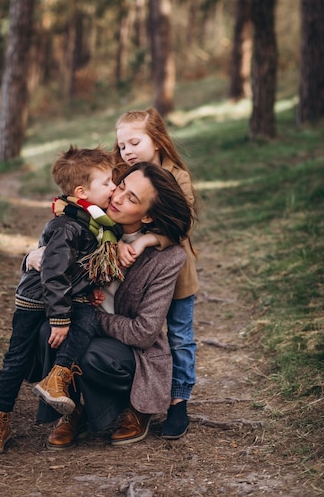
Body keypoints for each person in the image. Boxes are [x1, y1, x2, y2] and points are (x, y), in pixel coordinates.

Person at [34, 162, 193, 449]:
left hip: (131, 352)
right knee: (50, 327)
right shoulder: (91, 227)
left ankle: (135, 407)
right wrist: (31, 258)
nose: (117, 198)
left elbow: (143, 332)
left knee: (92, 352)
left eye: (132, 198)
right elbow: (49, 260)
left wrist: (91, 319)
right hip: (85, 326)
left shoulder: (167, 259)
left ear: (148, 217)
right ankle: (70, 409)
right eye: (120, 187)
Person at [0, 146, 123, 454]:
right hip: (37, 301)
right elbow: (53, 274)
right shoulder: (67, 225)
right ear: (83, 191)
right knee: (16, 359)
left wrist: (89, 287)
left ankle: (57, 377)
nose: (114, 187)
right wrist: (59, 318)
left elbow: (79, 266)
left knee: (87, 319)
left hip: (65, 296)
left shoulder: (90, 221)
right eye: (108, 183)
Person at [113, 108, 199, 439]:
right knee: (142, 335)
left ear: (158, 141)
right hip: (134, 277)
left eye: (135, 142)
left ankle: (178, 401)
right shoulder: (125, 176)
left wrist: (150, 238)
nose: (128, 151)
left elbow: (184, 224)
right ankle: (138, 400)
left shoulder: (177, 176)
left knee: (179, 337)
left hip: (176, 278)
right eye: (122, 146)